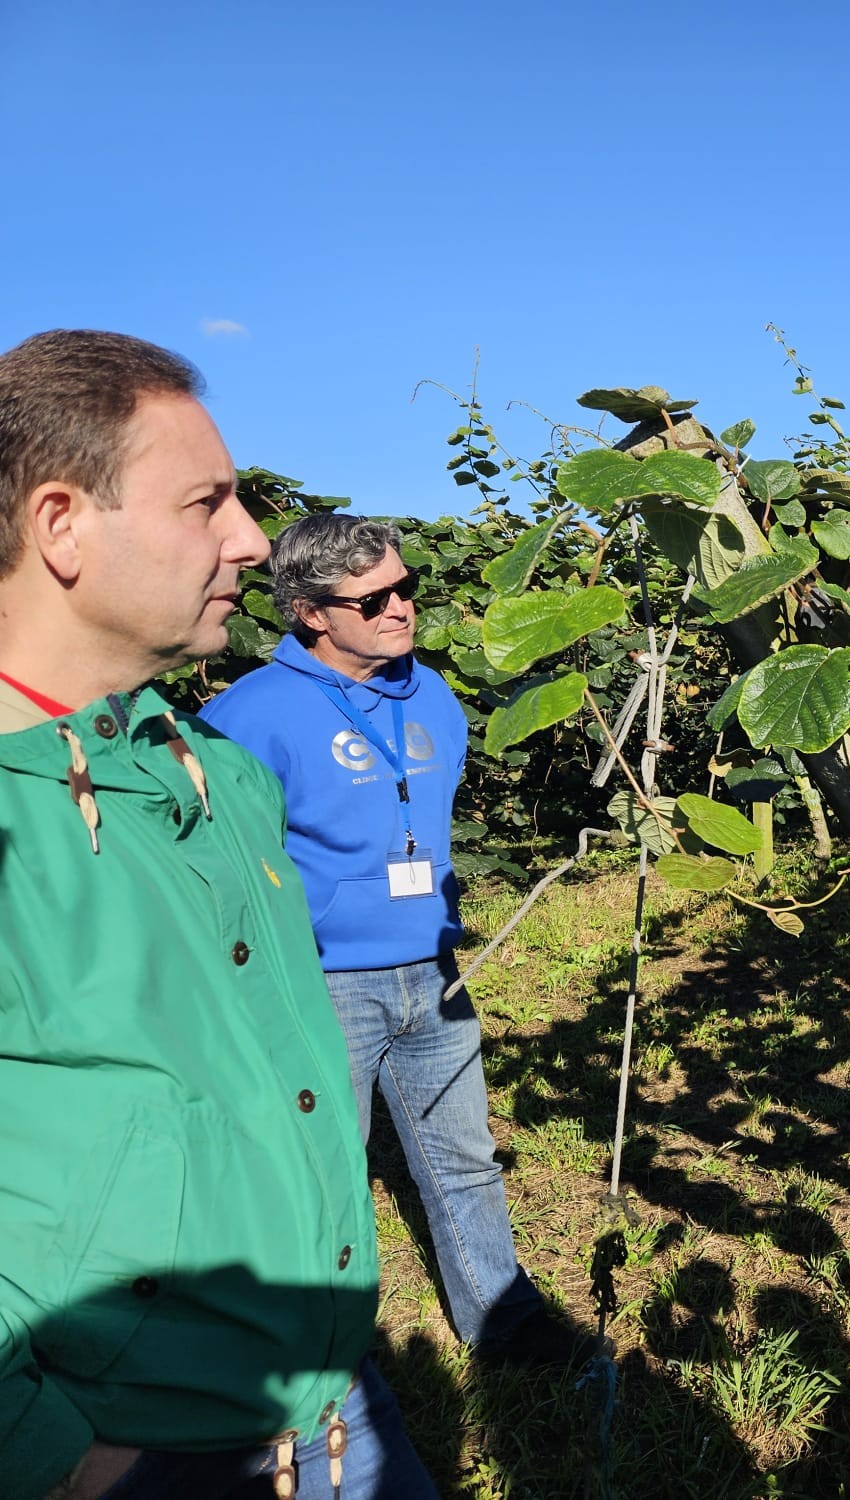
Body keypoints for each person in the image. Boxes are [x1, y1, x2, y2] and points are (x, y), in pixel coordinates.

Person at [0, 330, 436, 1498]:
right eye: (209, 502)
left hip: (332, 1394)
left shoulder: (222, 777)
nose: (249, 539)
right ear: (61, 526)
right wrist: (51, 1456)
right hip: (128, 1447)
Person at [203, 513, 592, 1371]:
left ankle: (503, 1318)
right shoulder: (250, 716)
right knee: (319, 1169)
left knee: (463, 1155)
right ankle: (320, 1348)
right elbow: (215, 861)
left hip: (436, 972)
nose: (402, 608)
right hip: (322, 983)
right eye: (374, 598)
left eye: (407, 586)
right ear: (311, 613)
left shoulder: (432, 694)